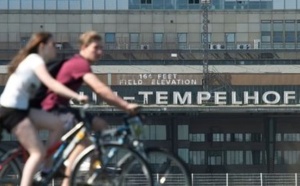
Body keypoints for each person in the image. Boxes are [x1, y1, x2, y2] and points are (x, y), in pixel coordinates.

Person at [40, 31, 138, 186]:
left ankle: (89, 171)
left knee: (100, 126)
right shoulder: (80, 64)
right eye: (96, 48)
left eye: (101, 48)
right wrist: (125, 105)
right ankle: (74, 174)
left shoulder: (77, 62)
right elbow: (100, 89)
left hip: (61, 107)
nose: (100, 52)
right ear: (84, 47)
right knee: (87, 141)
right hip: (54, 107)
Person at [0, 32, 88, 186]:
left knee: (57, 124)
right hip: (12, 111)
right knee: (37, 152)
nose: (56, 48)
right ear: (42, 46)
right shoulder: (35, 60)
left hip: (23, 109)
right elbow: (51, 84)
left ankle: (47, 167)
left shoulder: (34, 61)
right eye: (53, 45)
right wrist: (77, 96)